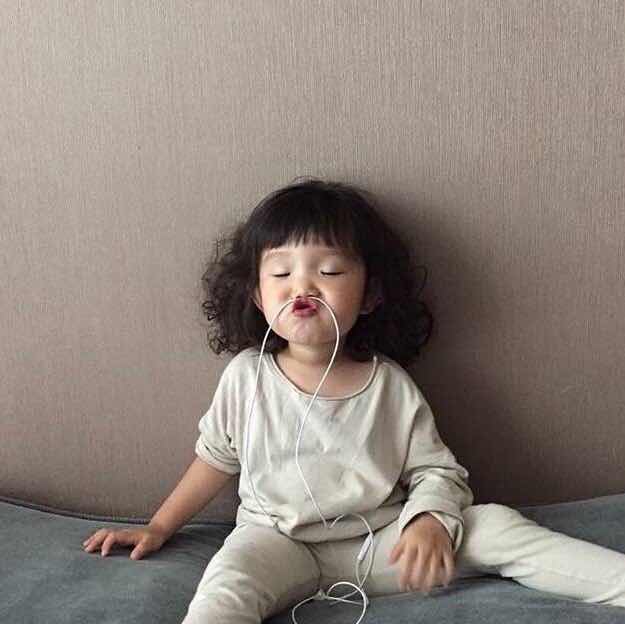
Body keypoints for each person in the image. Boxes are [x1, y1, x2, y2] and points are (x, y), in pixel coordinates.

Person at [81, 177, 625, 623]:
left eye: (330, 271)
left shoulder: (389, 385)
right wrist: (159, 526)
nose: (303, 287)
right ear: (257, 295)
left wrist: (429, 520)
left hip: (384, 546)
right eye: (281, 272)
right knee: (228, 582)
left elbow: (437, 472)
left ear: (370, 295)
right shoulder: (247, 377)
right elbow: (215, 459)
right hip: (277, 542)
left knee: (496, 525)